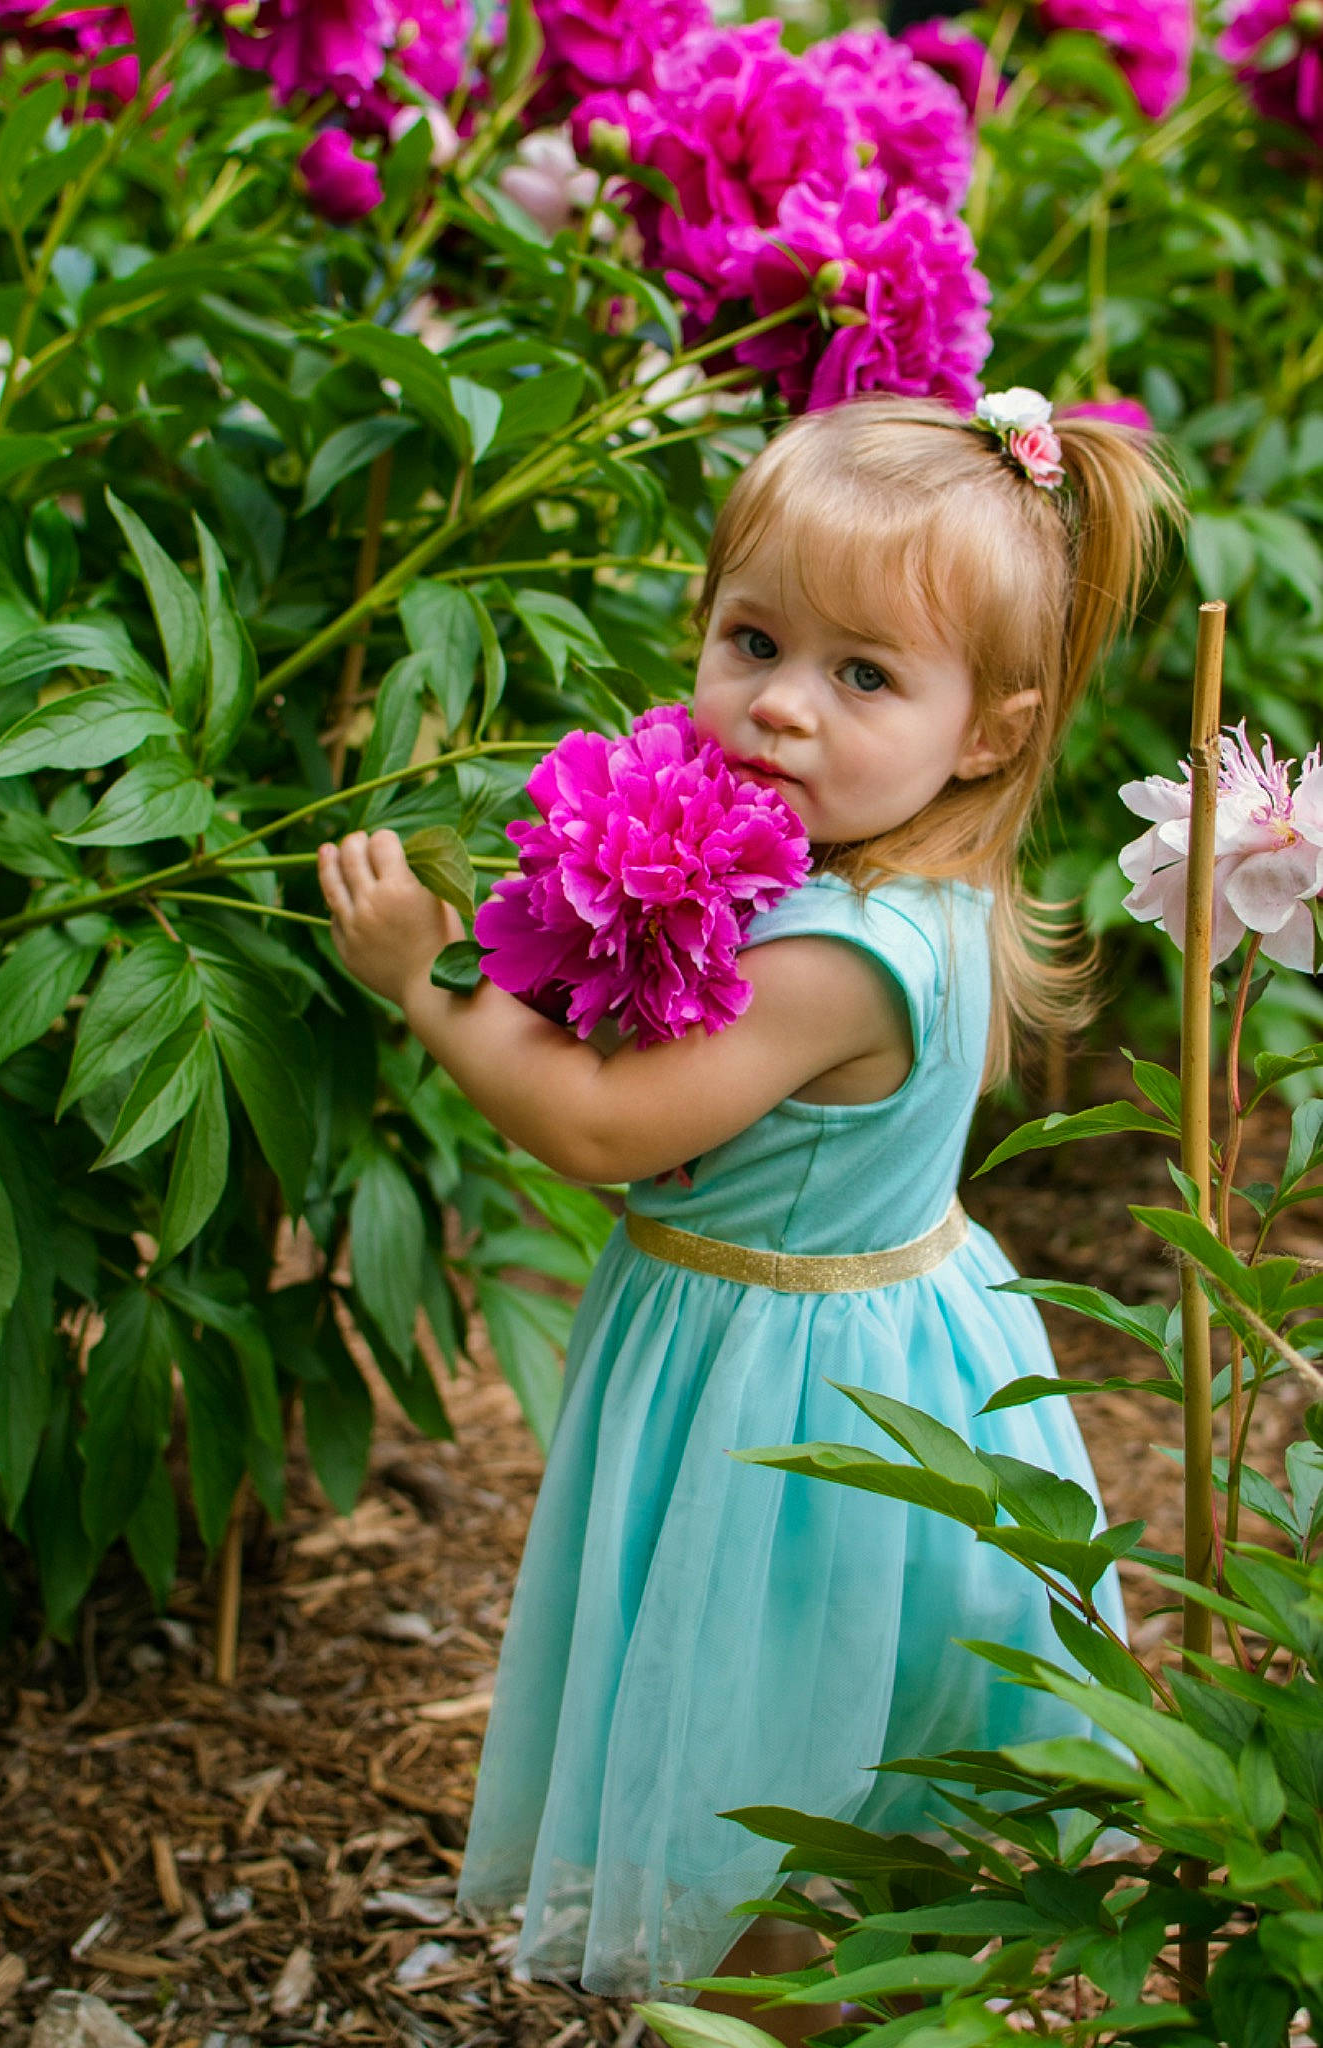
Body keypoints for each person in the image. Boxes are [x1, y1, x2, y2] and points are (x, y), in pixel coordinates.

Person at [317, 393, 1182, 2042]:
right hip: (840, 1329)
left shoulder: (834, 954)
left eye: (864, 675)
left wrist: (426, 976)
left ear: (987, 731)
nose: (781, 706)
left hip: (791, 1405)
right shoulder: (863, 871)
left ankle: (771, 2017)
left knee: (763, 1761)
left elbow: (592, 1121)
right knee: (801, 1751)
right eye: (752, 637)